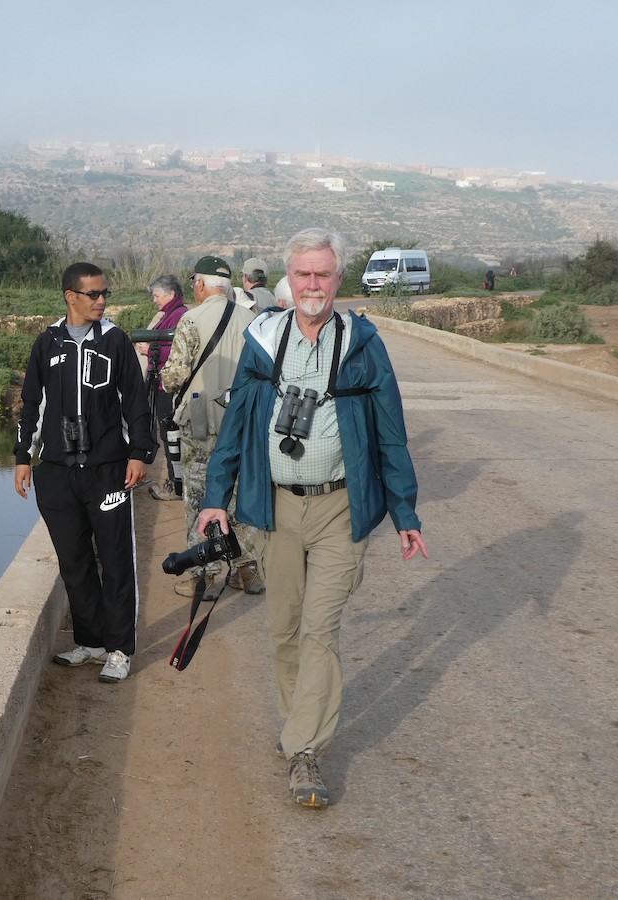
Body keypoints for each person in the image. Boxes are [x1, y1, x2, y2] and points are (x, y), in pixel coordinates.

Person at [196, 227, 428, 808]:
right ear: (289, 277)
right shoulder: (263, 339)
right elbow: (237, 428)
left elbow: (390, 435)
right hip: (275, 505)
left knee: (319, 631)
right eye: (303, 274)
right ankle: (297, 723)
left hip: (338, 508)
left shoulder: (362, 343)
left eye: (323, 274)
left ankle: (304, 751)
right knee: (284, 631)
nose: (313, 284)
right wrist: (212, 498)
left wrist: (405, 510)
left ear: (338, 278)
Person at [14, 261, 153, 684]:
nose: (101, 301)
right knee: (74, 562)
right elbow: (32, 403)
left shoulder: (115, 342)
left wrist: (139, 453)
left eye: (104, 293)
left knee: (115, 561)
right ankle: (91, 642)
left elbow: (135, 402)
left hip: (107, 470)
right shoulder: (47, 343)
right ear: (70, 296)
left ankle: (119, 650)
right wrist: (24, 456)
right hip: (57, 472)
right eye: (93, 294)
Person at [161, 255, 265, 600]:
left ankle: (202, 575)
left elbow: (175, 376)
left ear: (201, 284)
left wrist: (163, 379)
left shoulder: (191, 320)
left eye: (193, 283)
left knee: (199, 498)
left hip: (201, 427)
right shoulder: (252, 320)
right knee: (239, 497)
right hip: (242, 425)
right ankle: (246, 570)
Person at [134, 274, 188, 501]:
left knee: (171, 435)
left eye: (157, 295)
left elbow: (180, 351)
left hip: (168, 386)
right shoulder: (171, 314)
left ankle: (176, 485)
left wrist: (151, 350)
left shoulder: (179, 316)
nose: (154, 300)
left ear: (170, 294)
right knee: (168, 435)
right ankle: (175, 481)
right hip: (162, 383)